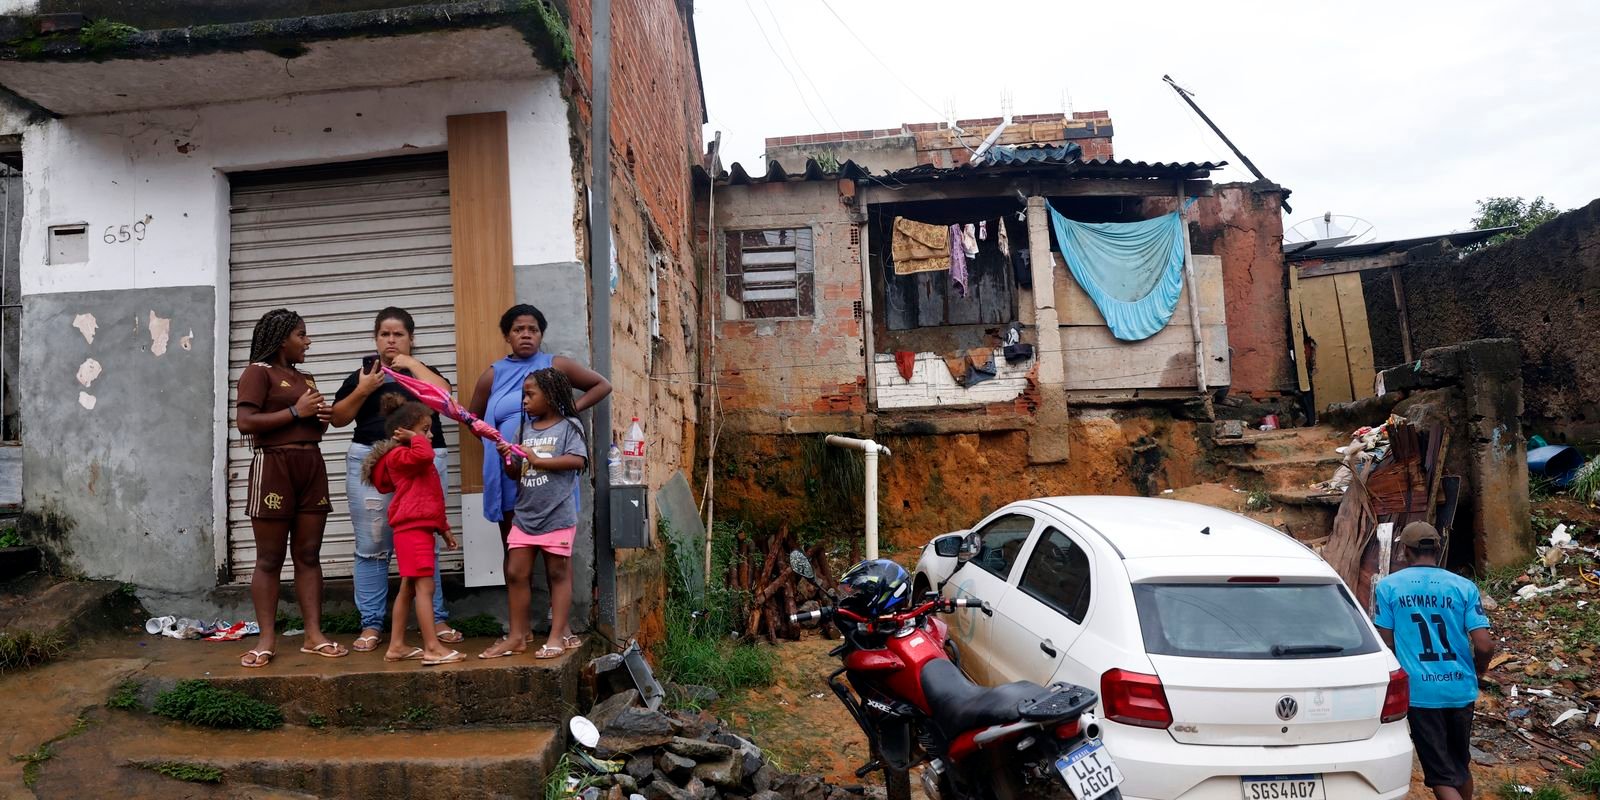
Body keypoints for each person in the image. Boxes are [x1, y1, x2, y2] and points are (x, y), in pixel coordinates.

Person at [468, 304, 609, 655]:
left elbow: (600, 385)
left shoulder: (554, 367)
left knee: (555, 561)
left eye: (532, 328)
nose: (526, 334)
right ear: (507, 335)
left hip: (549, 483)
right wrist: (498, 447)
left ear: (541, 334)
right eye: (518, 329)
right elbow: (473, 418)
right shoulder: (493, 374)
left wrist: (565, 414)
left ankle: (557, 628)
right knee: (515, 555)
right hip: (510, 473)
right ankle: (521, 631)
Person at [330, 307, 462, 652]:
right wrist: (363, 389)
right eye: (384, 334)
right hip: (372, 463)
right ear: (375, 338)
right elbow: (338, 419)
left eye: (398, 334)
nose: (391, 340)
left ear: (411, 339)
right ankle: (371, 624)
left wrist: (412, 366)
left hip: (423, 463)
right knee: (372, 546)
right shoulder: (362, 374)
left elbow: (447, 402)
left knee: (425, 537)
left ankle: (435, 618)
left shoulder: (422, 372)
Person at [233, 308, 348, 668]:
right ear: (283, 339)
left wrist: (321, 418)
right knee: (269, 558)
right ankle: (266, 639)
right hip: (274, 466)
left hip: (310, 465)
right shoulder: (257, 372)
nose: (308, 341)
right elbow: (245, 422)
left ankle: (313, 635)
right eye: (302, 335)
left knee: (309, 553)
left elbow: (312, 429)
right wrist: (296, 412)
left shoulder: (306, 378)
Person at [1374, 522, 1495, 800]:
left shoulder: (1389, 587)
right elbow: (1485, 644)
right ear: (1438, 549)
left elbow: (1387, 642)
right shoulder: (1463, 586)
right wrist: (1477, 671)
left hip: (1421, 694)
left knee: (1440, 775)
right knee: (1459, 767)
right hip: (1460, 690)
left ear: (1405, 551)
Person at [482, 368, 588, 659]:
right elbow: (516, 472)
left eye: (530, 394)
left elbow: (577, 461)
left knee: (557, 572)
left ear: (551, 396)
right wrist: (509, 458)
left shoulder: (569, 427)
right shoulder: (523, 430)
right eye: (523, 395)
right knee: (516, 572)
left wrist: (538, 459)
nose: (524, 401)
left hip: (556, 515)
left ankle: (556, 635)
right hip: (525, 515)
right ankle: (517, 635)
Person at [361, 395, 465, 666]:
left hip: (420, 527)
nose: (430, 435)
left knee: (409, 587)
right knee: (425, 587)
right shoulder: (400, 456)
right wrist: (413, 438)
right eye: (424, 430)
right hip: (412, 530)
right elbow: (425, 453)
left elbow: (430, 497)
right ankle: (432, 647)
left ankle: (396, 646)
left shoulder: (415, 458)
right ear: (404, 432)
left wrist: (444, 529)